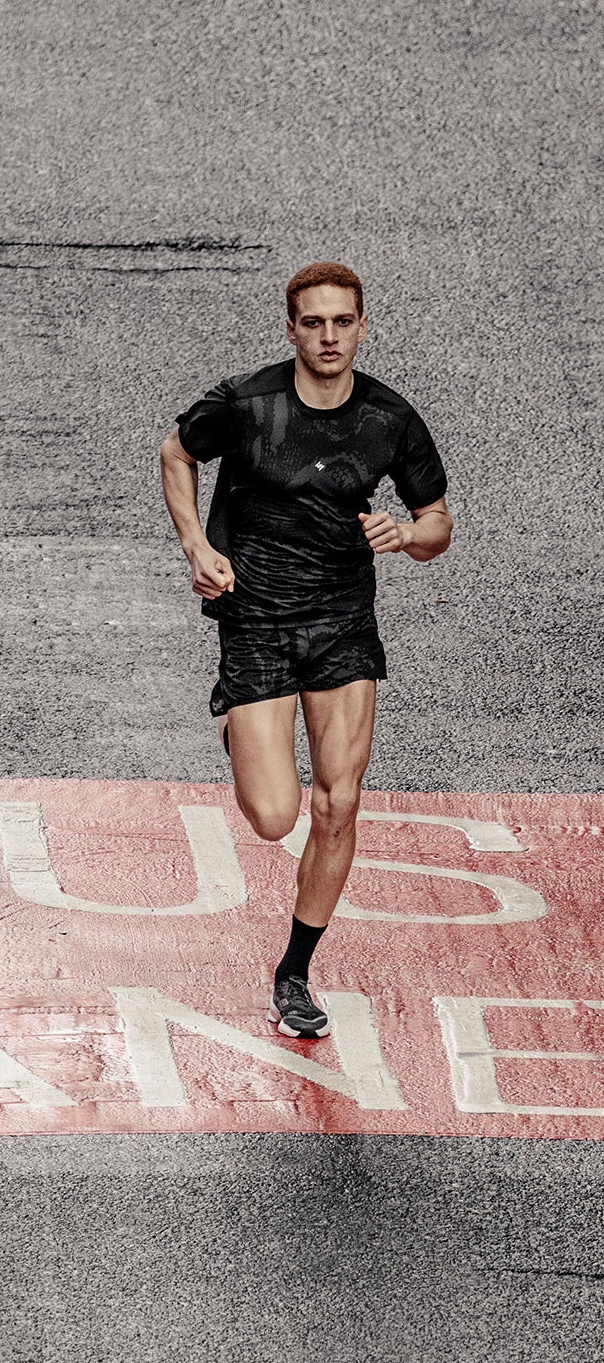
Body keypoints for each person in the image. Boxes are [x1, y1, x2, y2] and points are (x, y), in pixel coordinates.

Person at [160, 261, 451, 1039]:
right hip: (255, 615)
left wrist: (407, 534)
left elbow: (438, 523)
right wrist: (196, 546)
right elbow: (176, 453)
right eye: (314, 323)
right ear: (291, 329)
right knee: (272, 815)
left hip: (342, 621)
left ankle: (294, 972)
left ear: (362, 327)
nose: (328, 337)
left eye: (342, 322)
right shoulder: (246, 404)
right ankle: (239, 730)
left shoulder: (390, 419)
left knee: (339, 801)